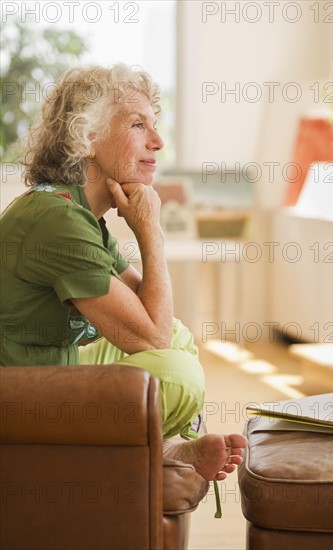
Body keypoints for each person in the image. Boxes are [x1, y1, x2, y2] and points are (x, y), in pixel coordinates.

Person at [0, 64, 247, 483]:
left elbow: (156, 317)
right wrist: (151, 229)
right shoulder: (55, 219)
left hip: (49, 368)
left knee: (180, 337)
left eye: (156, 124)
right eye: (138, 124)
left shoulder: (78, 212)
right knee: (179, 373)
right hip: (18, 395)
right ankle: (166, 449)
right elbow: (151, 336)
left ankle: (161, 445)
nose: (158, 141)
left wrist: (146, 228)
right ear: (88, 137)